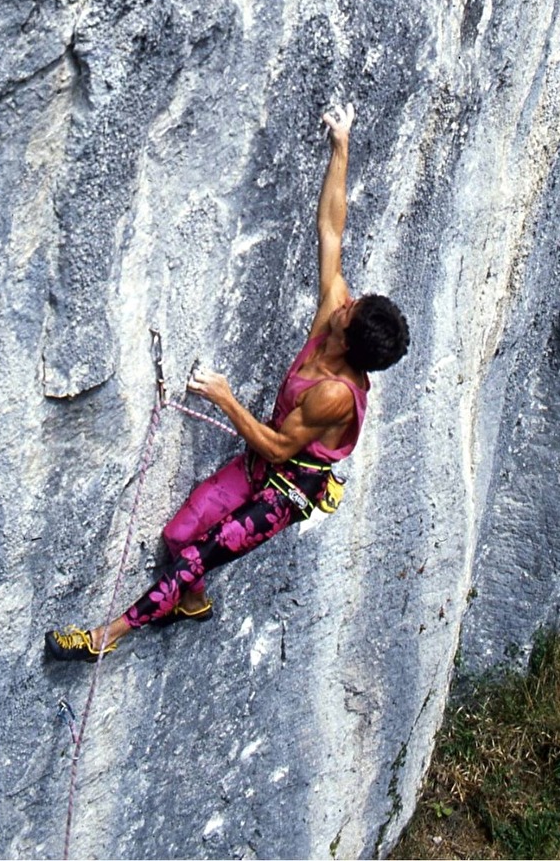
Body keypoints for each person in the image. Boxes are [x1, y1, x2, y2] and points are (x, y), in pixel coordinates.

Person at [45, 103, 410, 662]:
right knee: (176, 537)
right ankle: (191, 604)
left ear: (347, 335)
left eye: (352, 306)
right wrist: (342, 144)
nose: (347, 296)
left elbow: (276, 444)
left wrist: (224, 396)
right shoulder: (333, 316)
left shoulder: (335, 393)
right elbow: (331, 228)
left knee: (193, 557)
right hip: (259, 466)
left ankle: (102, 639)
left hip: (284, 492)